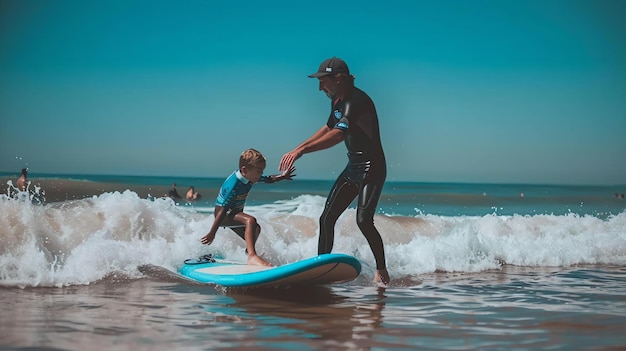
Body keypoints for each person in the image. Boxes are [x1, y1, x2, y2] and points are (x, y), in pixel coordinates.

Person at [279, 57, 390, 286]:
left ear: (338, 79)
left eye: (323, 81)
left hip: (373, 167)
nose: (320, 88)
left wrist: (303, 152)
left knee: (364, 220)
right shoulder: (338, 101)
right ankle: (321, 268)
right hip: (353, 167)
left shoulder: (356, 101)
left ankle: (381, 271)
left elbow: (339, 135)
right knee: (327, 218)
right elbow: (328, 127)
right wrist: (299, 148)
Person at [201, 148, 296, 266]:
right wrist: (212, 233)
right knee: (250, 220)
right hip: (223, 215)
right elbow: (223, 210)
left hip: (234, 213)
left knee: (256, 228)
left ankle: (249, 252)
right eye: (259, 171)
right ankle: (252, 255)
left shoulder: (249, 177)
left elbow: (267, 179)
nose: (261, 174)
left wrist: (282, 176)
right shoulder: (233, 184)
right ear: (245, 170)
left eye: (262, 170)